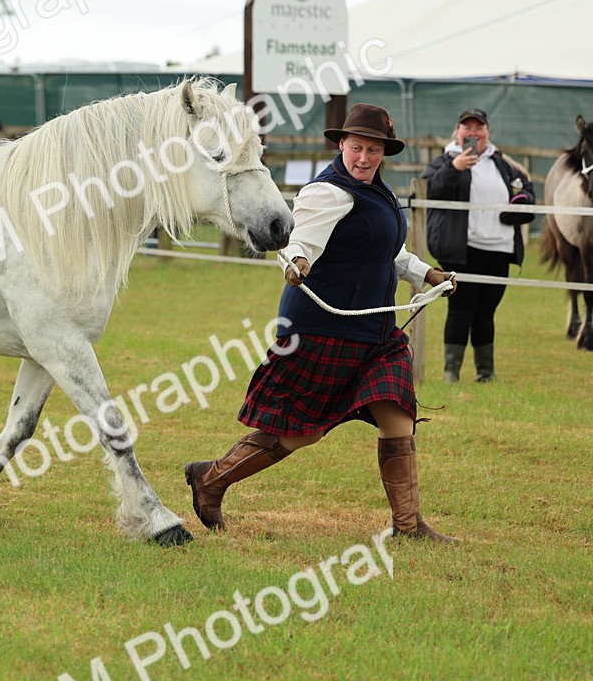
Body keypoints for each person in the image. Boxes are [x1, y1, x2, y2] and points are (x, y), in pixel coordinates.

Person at [183, 103, 459, 543]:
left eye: (372, 149)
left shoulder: (377, 192)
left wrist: (425, 274)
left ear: (383, 151)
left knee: (397, 418)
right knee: (298, 434)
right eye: (356, 148)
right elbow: (301, 242)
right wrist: (297, 262)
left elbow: (385, 249)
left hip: (375, 335)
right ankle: (211, 480)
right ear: (342, 145)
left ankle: (408, 526)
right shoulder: (326, 192)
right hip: (320, 332)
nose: (363, 157)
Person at [422, 108, 534, 383]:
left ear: (487, 132)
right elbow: (428, 190)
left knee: (486, 311)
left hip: (500, 249)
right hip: (462, 250)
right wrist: (454, 168)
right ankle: (452, 373)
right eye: (466, 127)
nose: (473, 132)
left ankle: (486, 372)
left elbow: (526, 189)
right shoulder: (444, 160)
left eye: (478, 127)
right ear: (458, 132)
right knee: (461, 310)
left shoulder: (503, 163)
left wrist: (521, 202)